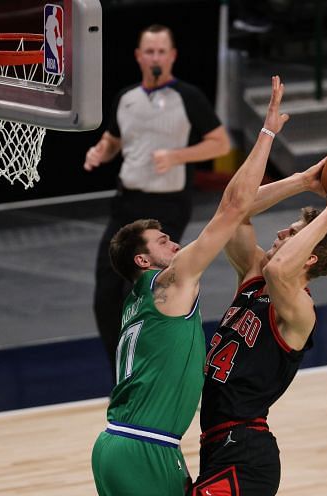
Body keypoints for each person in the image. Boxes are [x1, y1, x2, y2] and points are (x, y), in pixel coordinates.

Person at [90, 75, 287, 496]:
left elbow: (238, 212)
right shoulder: (169, 283)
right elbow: (234, 207)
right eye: (162, 243)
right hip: (145, 447)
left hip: (117, 446)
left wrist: (309, 179)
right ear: (143, 261)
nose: (175, 245)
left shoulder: (138, 300)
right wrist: (267, 134)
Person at [185, 156, 327, 496]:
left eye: (291, 234)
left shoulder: (300, 312)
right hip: (217, 444)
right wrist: (303, 181)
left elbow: (279, 271)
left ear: (308, 259)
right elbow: (234, 211)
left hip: (245, 451)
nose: (279, 233)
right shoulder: (253, 274)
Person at [84, 24, 231, 374]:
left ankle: (157, 366)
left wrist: (178, 156)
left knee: (144, 289)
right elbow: (114, 139)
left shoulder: (188, 97)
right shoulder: (126, 98)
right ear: (138, 56)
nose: (155, 57)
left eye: (161, 51)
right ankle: (121, 370)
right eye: (149, 51)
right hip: (126, 205)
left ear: (172, 56)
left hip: (166, 207)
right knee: (106, 290)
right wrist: (99, 152)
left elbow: (220, 143)